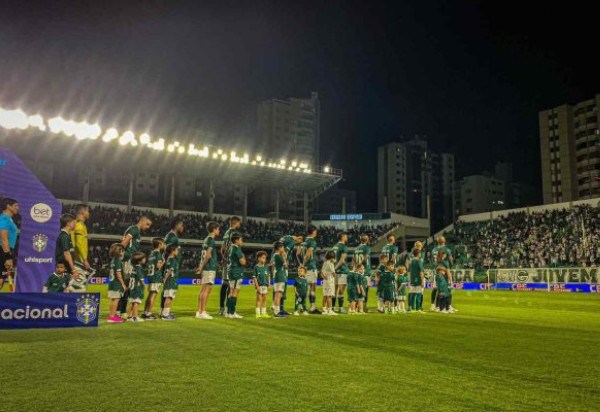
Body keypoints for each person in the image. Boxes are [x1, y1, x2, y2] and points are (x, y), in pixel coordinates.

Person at [119, 215, 153, 318]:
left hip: (130, 261)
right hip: (128, 261)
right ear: (142, 221)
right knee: (126, 285)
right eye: (147, 224)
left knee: (128, 285)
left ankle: (124, 311)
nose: (148, 227)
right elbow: (124, 243)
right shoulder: (134, 229)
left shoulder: (136, 231)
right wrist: (121, 258)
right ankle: (121, 311)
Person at [196, 221, 221, 320]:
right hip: (209, 267)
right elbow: (208, 255)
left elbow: (205, 255)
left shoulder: (207, 239)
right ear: (214, 229)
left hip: (207, 267)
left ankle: (200, 311)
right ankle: (202, 312)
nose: (219, 231)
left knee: (204, 289)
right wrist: (201, 267)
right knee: (206, 289)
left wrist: (201, 266)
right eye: (218, 229)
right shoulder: (211, 240)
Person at [220, 216, 241, 316]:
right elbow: (227, 247)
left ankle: (223, 308)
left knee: (226, 284)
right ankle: (228, 309)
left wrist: (223, 258)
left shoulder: (226, 232)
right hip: (230, 262)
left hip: (226, 261)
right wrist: (226, 259)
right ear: (235, 223)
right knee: (230, 285)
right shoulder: (232, 233)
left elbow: (223, 247)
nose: (239, 225)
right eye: (239, 223)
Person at [278, 234, 303, 315]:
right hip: (282, 265)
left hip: (278, 263)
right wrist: (285, 261)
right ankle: (280, 309)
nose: (300, 243)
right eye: (300, 241)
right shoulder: (292, 242)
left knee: (279, 285)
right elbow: (284, 251)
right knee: (283, 285)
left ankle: (277, 306)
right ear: (298, 238)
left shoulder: (287, 237)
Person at [162, 218, 184, 310]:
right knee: (167, 291)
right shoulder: (171, 236)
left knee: (167, 291)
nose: (183, 227)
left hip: (172, 265)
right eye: (181, 225)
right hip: (170, 266)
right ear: (176, 226)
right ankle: (163, 311)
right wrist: (167, 262)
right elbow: (165, 250)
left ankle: (164, 311)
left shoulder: (173, 236)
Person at [142, 238, 165, 320]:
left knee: (149, 295)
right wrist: (164, 261)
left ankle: (145, 312)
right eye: (163, 243)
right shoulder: (158, 254)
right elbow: (158, 266)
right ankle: (148, 313)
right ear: (159, 245)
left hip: (151, 276)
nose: (164, 245)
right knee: (153, 295)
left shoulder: (152, 254)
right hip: (156, 277)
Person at [70, 204, 91, 292]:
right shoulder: (79, 225)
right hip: (78, 261)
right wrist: (85, 260)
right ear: (83, 212)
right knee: (79, 289)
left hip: (74, 259)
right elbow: (79, 244)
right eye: (88, 211)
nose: (89, 213)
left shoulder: (74, 223)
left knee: (72, 286)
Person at [301, 225, 321, 314]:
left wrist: (301, 264)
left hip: (305, 267)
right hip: (310, 267)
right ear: (313, 232)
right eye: (315, 231)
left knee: (305, 287)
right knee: (312, 287)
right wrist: (304, 265)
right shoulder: (312, 241)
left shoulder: (304, 242)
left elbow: (298, 253)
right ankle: (312, 307)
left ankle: (302, 306)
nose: (316, 233)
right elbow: (309, 254)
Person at [226, 233, 246, 319]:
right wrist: (244, 258)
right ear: (236, 240)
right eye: (241, 240)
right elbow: (243, 262)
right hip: (236, 272)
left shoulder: (231, 247)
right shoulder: (236, 248)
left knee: (231, 292)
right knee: (234, 292)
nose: (242, 242)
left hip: (232, 271)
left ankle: (228, 312)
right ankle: (232, 312)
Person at [0, 198, 19, 290]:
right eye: (15, 206)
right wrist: (8, 256)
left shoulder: (9, 219)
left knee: (2, 278)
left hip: (6, 250)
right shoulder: (4, 218)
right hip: (3, 250)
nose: (17, 208)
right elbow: (3, 238)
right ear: (8, 206)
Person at [107, 243, 127, 324]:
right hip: (116, 284)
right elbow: (118, 274)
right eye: (122, 251)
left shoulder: (113, 260)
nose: (123, 252)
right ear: (118, 251)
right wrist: (123, 284)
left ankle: (112, 315)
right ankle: (112, 317)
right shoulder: (118, 261)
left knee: (113, 300)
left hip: (112, 283)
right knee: (116, 300)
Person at [55, 214, 79, 282]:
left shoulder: (66, 235)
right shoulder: (65, 236)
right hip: (64, 268)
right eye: (73, 223)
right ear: (68, 223)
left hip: (65, 267)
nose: (75, 224)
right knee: (64, 288)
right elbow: (67, 254)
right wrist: (73, 269)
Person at [127, 251, 147, 323]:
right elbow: (141, 278)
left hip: (132, 287)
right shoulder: (139, 268)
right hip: (137, 287)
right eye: (144, 258)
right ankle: (135, 317)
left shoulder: (133, 267)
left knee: (132, 301)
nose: (145, 259)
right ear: (140, 260)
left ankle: (129, 316)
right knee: (136, 302)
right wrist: (144, 286)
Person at [332, 233, 349, 313]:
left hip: (335, 271)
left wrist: (333, 269)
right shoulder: (344, 247)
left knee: (334, 290)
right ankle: (341, 308)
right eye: (346, 236)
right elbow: (342, 261)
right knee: (341, 290)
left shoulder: (334, 246)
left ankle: (332, 307)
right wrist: (335, 269)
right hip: (342, 270)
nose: (347, 237)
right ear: (342, 237)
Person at [161, 244, 179, 321]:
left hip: (170, 282)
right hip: (171, 282)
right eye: (177, 250)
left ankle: (166, 313)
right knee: (169, 298)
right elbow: (169, 271)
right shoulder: (172, 260)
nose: (178, 251)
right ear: (173, 251)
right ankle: (165, 315)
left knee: (168, 298)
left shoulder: (169, 259)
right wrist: (165, 279)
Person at [354, 234, 371, 311]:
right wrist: (360, 266)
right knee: (365, 289)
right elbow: (365, 258)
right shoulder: (367, 248)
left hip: (358, 270)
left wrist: (356, 268)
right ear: (367, 240)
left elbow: (354, 259)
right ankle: (363, 307)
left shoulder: (356, 248)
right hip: (365, 271)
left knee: (358, 288)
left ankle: (357, 305)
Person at [252, 251, 271, 318]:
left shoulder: (266, 266)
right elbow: (254, 278)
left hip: (265, 285)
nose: (264, 259)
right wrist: (257, 287)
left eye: (265, 258)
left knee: (265, 299)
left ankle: (264, 313)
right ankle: (258, 313)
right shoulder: (256, 267)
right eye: (263, 258)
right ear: (259, 258)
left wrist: (269, 284)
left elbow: (268, 276)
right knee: (258, 299)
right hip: (259, 286)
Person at [272, 241, 288, 317]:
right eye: (282, 247)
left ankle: (277, 311)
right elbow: (286, 265)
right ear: (279, 248)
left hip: (278, 276)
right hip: (279, 276)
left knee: (278, 294)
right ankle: (276, 312)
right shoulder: (278, 256)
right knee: (278, 295)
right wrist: (284, 257)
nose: (283, 249)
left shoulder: (275, 255)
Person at [408, 248, 425, 313]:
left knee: (412, 294)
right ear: (418, 254)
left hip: (412, 279)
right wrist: (422, 281)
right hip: (418, 280)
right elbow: (421, 272)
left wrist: (409, 279)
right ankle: (418, 309)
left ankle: (412, 308)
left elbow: (409, 271)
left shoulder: (411, 261)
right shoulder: (419, 261)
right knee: (419, 294)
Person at [321, 251, 337, 316]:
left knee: (325, 295)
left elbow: (321, 272)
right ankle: (330, 309)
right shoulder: (331, 264)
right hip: (330, 281)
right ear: (331, 258)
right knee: (329, 296)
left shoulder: (325, 263)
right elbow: (333, 273)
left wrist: (324, 277)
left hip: (325, 281)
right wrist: (335, 276)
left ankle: (324, 309)